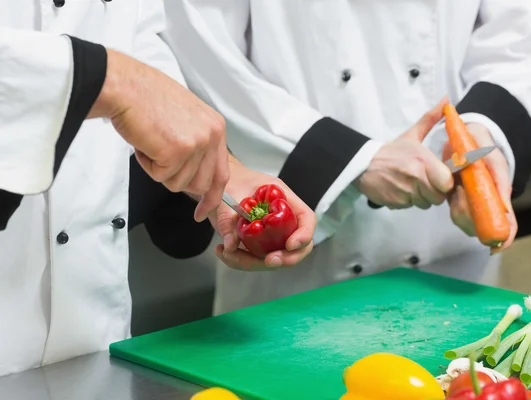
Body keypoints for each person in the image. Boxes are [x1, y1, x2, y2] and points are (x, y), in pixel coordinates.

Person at [161, 0, 531, 315]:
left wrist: (485, 132)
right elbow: (197, 47)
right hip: (292, 281)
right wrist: (349, 161)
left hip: (452, 258)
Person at [0, 0, 315, 377]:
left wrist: (223, 171)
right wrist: (106, 78)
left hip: (95, 334)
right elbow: (121, 73)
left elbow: (135, 34)